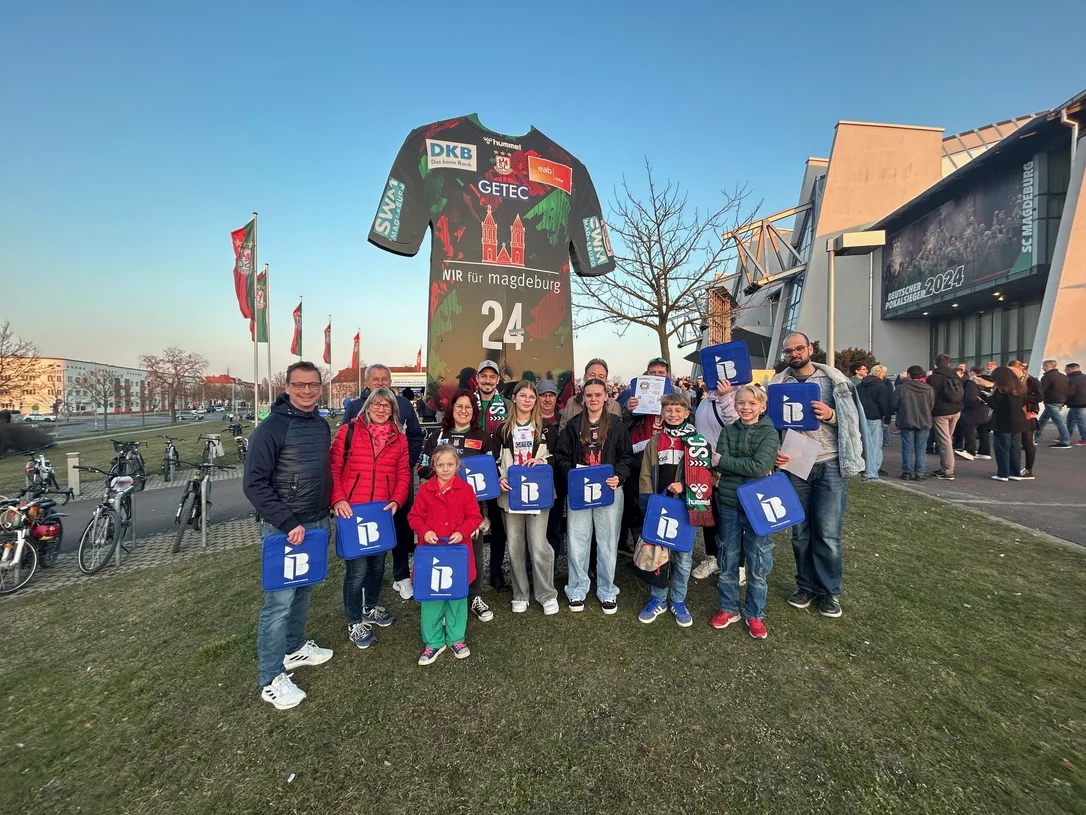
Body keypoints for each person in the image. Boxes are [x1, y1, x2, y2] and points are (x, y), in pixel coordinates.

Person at [245, 361, 333, 710]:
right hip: (286, 529)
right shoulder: (270, 429)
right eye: (300, 385)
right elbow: (254, 484)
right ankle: (270, 678)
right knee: (279, 603)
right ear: (287, 387)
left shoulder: (321, 425)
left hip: (316, 521)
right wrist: (286, 521)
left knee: (304, 590)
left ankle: (294, 648)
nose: (307, 391)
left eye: (313, 385)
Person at [771, 332, 865, 618]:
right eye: (788, 351)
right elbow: (770, 425)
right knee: (800, 532)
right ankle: (805, 585)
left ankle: (828, 591)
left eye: (799, 348)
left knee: (827, 533)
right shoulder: (777, 385)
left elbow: (853, 421)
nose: (794, 354)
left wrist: (831, 415)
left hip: (829, 463)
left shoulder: (834, 381)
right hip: (795, 465)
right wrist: (774, 450)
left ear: (810, 349)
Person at [331, 388, 410, 649]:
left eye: (386, 405)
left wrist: (397, 500)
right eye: (376, 404)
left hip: (381, 513)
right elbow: (333, 468)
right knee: (357, 571)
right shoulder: (348, 432)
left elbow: (403, 474)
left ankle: (370, 607)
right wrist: (338, 498)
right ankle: (354, 621)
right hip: (352, 511)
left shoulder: (399, 439)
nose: (381, 409)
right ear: (367, 407)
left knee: (377, 566)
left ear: (393, 410)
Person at [343, 364, 424, 601]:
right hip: (364, 486)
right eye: (375, 379)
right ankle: (364, 581)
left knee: (400, 527)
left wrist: (406, 462)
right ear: (367, 382)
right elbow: (345, 446)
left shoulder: (404, 405)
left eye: (384, 379)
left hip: (397, 479)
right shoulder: (355, 407)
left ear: (391, 382)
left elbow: (415, 436)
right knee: (366, 532)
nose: (380, 383)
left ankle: (401, 575)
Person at [637, 392, 716, 627]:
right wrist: (648, 505)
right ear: (662, 413)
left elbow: (708, 475)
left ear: (686, 413)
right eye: (668, 410)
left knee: (682, 557)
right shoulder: (655, 441)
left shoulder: (697, 441)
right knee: (659, 556)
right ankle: (658, 599)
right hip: (660, 506)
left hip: (685, 507)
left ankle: (679, 600)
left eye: (678, 410)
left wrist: (686, 485)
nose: (673, 414)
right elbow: (645, 475)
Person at [555, 378, 633, 614]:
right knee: (577, 539)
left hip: (608, 489)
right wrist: (573, 475)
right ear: (583, 398)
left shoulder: (616, 425)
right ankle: (577, 588)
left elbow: (626, 456)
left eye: (598, 395)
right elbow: (561, 456)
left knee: (608, 540)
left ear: (606, 397)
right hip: (580, 489)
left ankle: (607, 590)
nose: (594, 399)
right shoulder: (573, 425)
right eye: (589, 395)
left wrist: (618, 476)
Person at [417, 389, 494, 622]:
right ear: (451, 409)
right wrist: (441, 475)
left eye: (468, 407)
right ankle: (443, 596)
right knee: (443, 552)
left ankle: (474, 596)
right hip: (440, 507)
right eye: (459, 406)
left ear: (474, 411)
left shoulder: (483, 437)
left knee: (474, 553)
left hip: (471, 509)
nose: (463, 410)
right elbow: (422, 467)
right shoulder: (438, 436)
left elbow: (492, 470)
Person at [710, 385, 780, 639]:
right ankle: (728, 608)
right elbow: (716, 463)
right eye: (741, 403)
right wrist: (730, 464)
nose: (746, 407)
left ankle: (754, 613)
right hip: (730, 502)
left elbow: (759, 467)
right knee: (728, 557)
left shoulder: (770, 433)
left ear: (762, 406)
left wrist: (726, 462)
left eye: (752, 403)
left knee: (757, 560)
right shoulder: (729, 430)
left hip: (759, 505)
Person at [407, 444, 484, 666]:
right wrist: (424, 531)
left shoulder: (466, 489)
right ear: (433, 466)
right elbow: (414, 517)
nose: (445, 469)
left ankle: (456, 638)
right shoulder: (425, 490)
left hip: (457, 552)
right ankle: (433, 641)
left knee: (457, 598)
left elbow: (474, 516)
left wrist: (462, 531)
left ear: (457, 465)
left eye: (450, 464)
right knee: (431, 599)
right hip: (431, 553)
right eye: (440, 465)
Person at [494, 380, 560, 615]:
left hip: (537, 493)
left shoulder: (546, 428)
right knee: (515, 546)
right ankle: (520, 594)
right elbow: (493, 461)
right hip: (511, 494)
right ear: (514, 398)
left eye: (532, 397)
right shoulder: (502, 429)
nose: (527, 400)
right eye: (523, 396)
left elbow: (557, 456)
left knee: (539, 544)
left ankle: (546, 593)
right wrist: (499, 479)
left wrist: (542, 461)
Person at [620, 356, 673, 555]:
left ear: (668, 375)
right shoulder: (632, 395)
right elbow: (620, 427)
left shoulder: (676, 396)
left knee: (663, 500)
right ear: (647, 374)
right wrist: (629, 411)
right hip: (638, 458)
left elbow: (687, 420)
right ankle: (641, 548)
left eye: (661, 373)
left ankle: (663, 550)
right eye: (653, 373)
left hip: (666, 458)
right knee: (636, 502)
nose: (657, 376)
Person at [691, 378, 739, 581]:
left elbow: (738, 427)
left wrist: (726, 397)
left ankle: (738, 564)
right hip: (706, 467)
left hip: (728, 468)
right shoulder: (704, 401)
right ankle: (713, 557)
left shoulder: (738, 396)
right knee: (709, 516)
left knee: (731, 519)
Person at [473, 360, 512, 591]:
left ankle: (496, 572)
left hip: (497, 469)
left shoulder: (506, 404)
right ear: (477, 378)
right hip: (472, 470)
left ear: (497, 380)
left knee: (498, 525)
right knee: (472, 521)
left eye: (492, 377)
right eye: (484, 376)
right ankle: (472, 573)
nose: (487, 381)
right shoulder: (467, 402)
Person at [892, 366, 935, 481]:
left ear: (909, 374)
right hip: (924, 419)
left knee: (907, 447)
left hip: (906, 419)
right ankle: (919, 472)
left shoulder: (902, 388)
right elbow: (931, 405)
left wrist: (902, 411)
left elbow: (894, 404)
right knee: (921, 448)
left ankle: (907, 472)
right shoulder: (928, 388)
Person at [926, 354, 964, 481]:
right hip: (956, 410)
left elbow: (931, 396)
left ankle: (947, 469)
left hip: (941, 412)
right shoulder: (955, 375)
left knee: (944, 441)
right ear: (949, 363)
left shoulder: (933, 378)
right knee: (948, 439)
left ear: (935, 363)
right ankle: (945, 467)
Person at [558, 358, 622, 430]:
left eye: (601, 376)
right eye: (592, 375)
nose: (596, 379)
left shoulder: (614, 406)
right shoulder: (572, 403)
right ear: (585, 378)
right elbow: (563, 431)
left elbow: (619, 432)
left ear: (606, 381)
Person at [988, 366, 1026, 482]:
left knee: (1002, 447)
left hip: (1002, 421)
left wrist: (989, 397)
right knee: (1015, 448)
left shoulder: (1001, 391)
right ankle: (1014, 472)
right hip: (1018, 420)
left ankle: (1003, 473)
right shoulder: (1020, 389)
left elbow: (994, 404)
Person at [857, 365, 891, 482]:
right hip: (875, 417)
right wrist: (887, 418)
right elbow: (884, 404)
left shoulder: (860, 386)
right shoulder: (881, 387)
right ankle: (871, 472)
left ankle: (864, 469)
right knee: (875, 446)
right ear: (882, 374)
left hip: (861, 416)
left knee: (863, 444)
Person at [1009, 360, 1042, 480]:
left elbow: (1039, 397)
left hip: (1027, 413)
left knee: (1027, 442)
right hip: (1012, 414)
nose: (1011, 372)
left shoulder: (1031, 380)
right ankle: (1011, 469)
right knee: (1013, 443)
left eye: (1013, 370)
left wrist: (1021, 395)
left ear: (1020, 369)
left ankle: (1029, 469)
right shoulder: (1010, 380)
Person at [957, 366, 993, 461]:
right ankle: (984, 452)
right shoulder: (991, 382)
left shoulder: (972, 382)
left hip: (973, 411)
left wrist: (964, 405)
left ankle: (970, 451)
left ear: (972, 372)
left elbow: (970, 398)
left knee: (969, 430)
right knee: (983, 431)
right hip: (986, 410)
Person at [1036, 359, 1071, 448]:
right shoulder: (1063, 376)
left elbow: (1042, 390)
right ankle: (1035, 437)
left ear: (1048, 366)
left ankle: (1065, 441)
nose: (1043, 368)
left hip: (1050, 401)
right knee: (1043, 420)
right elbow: (1067, 389)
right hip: (1060, 400)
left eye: (1044, 366)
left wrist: (1036, 397)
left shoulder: (1047, 377)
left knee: (1059, 422)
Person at [1065, 363, 1086, 445]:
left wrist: (1063, 401)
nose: (1065, 371)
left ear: (1069, 369)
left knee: (1080, 421)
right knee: (1070, 419)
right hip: (1082, 402)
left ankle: (1085, 438)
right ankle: (1066, 434)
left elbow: (1070, 392)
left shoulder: (1071, 378)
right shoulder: (1084, 376)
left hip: (1076, 402)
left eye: (1065, 369)